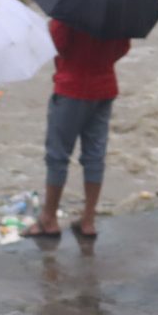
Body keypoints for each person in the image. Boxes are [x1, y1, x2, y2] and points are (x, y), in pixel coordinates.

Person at [29, 17, 131, 240]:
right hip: (104, 86)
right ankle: (88, 219)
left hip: (72, 88)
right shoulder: (117, 10)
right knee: (95, 155)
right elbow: (123, 47)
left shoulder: (70, 11)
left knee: (58, 156)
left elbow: (56, 44)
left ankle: (49, 218)